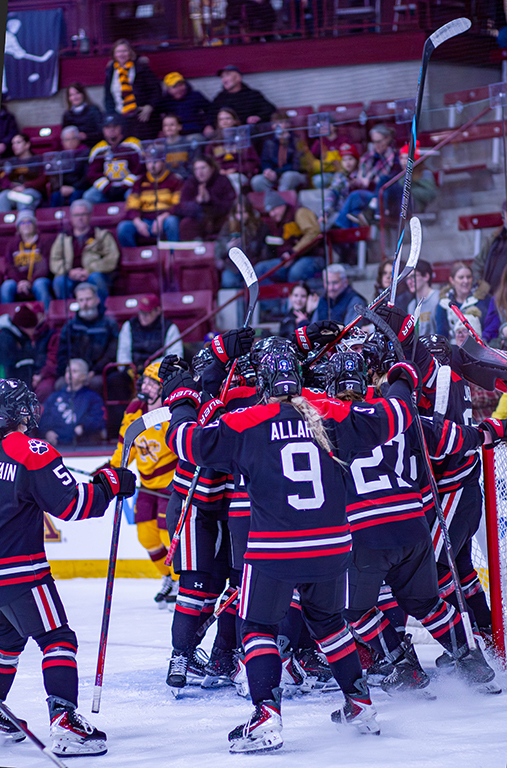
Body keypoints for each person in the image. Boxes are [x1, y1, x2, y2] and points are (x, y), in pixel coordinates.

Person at [161, 334, 427, 751]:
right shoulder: (332, 412)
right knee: (330, 622)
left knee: (256, 626)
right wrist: (401, 375)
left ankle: (266, 716)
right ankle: (360, 705)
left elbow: (184, 443)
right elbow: (397, 413)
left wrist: (180, 398)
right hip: (335, 546)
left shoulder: (246, 420)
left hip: (275, 548)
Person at [0, 377, 135, 755]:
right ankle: (64, 722)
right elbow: (72, 505)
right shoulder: (30, 450)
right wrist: (109, 483)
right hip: (21, 570)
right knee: (57, 639)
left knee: (7, 640)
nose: (30, 413)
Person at [110, 362, 179, 605]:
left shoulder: (173, 412)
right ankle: (168, 578)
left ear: (165, 388)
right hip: (148, 485)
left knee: (166, 534)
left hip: (171, 488)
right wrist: (113, 470)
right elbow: (124, 446)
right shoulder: (134, 410)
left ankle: (179, 580)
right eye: (145, 381)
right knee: (146, 537)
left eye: (152, 382)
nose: (145, 386)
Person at [50, 199, 120, 303]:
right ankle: (67, 313)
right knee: (59, 281)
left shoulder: (102, 235)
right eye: (76, 215)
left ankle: (103, 309)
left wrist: (89, 270)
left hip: (94, 274)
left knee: (96, 277)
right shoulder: (63, 238)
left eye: (83, 214)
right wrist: (69, 271)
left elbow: (111, 259)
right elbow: (54, 261)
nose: (80, 218)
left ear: (90, 216)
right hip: (70, 276)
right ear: (71, 217)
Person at [333, 124, 400, 228]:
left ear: (388, 139)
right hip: (370, 195)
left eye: (379, 142)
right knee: (355, 212)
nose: (376, 145)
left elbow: (390, 181)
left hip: (386, 198)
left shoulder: (395, 157)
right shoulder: (369, 157)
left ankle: (337, 228)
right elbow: (362, 177)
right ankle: (351, 241)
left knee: (355, 196)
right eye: (374, 142)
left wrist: (369, 180)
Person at [254, 190, 322, 283]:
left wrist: (293, 252)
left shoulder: (300, 213)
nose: (271, 214)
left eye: (274, 209)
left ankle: (295, 296)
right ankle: (275, 297)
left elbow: (314, 233)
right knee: (260, 269)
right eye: (270, 211)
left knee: (295, 272)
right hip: (289, 259)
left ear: (282, 205)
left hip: (312, 257)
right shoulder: (278, 222)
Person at [116, 151, 182, 246]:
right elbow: (131, 206)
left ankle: (173, 256)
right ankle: (135, 259)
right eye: (149, 162)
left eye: (155, 162)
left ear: (163, 162)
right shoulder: (139, 181)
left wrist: (161, 218)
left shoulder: (175, 179)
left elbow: (178, 205)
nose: (152, 165)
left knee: (172, 222)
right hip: (145, 221)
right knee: (123, 227)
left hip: (165, 220)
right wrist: (138, 222)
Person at [39, 358, 106, 446]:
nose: (69, 375)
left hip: (82, 446)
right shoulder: (54, 397)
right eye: (67, 371)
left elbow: (98, 420)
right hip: (55, 446)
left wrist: (83, 427)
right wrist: (48, 432)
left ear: (84, 376)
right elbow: (44, 418)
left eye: (74, 371)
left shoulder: (93, 398)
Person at [104, 39, 161, 141]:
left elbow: (156, 90)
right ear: (114, 54)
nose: (121, 54)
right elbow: (108, 97)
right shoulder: (111, 72)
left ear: (130, 52)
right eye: (118, 52)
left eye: (124, 51)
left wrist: (150, 106)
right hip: (121, 118)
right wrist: (113, 116)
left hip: (140, 117)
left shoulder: (141, 68)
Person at [172, 155, 236, 241]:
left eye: (203, 168)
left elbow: (231, 205)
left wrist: (210, 200)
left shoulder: (222, 180)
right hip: (198, 219)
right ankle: (191, 252)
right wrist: (197, 201)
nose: (200, 172)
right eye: (196, 169)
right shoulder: (190, 183)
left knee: (229, 221)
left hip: (219, 218)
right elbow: (181, 207)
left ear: (212, 168)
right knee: (186, 224)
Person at [83, 113, 142, 204]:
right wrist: (107, 187)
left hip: (129, 186)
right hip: (107, 189)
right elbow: (93, 174)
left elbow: (139, 169)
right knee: (89, 196)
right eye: (107, 127)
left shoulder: (133, 145)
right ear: (103, 130)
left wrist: (125, 185)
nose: (111, 130)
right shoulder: (99, 149)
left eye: (115, 126)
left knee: (132, 196)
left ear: (121, 128)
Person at [116, 293, 183, 373]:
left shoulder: (169, 327)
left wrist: (152, 368)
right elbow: (123, 352)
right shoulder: (129, 325)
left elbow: (175, 357)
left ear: (158, 311)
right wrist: (128, 369)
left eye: (147, 313)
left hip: (158, 371)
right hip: (134, 370)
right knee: (115, 378)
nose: (143, 316)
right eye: (141, 312)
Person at [1, 209, 53, 308]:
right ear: (18, 228)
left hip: (38, 279)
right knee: (7, 286)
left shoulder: (44, 242)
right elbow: (9, 266)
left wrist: (30, 282)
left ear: (34, 225)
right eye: (22, 223)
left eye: (29, 222)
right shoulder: (12, 244)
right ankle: (6, 319)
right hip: (18, 281)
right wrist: (19, 282)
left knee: (40, 285)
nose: (26, 225)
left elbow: (45, 266)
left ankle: (48, 316)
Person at [205, 65, 276, 135]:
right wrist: (209, 125)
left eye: (227, 75)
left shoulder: (252, 95)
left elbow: (269, 109)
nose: (224, 80)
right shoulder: (220, 98)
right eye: (222, 77)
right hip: (226, 134)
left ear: (238, 78)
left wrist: (258, 117)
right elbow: (211, 114)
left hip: (249, 133)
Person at [215, 198, 269, 288]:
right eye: (237, 212)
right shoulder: (227, 227)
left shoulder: (260, 227)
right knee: (228, 281)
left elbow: (265, 251)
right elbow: (218, 250)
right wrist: (227, 246)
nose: (240, 216)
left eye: (244, 212)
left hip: (253, 266)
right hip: (233, 268)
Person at [0, 304, 55, 388]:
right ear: (26, 326)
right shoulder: (6, 339)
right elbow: (8, 368)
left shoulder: (23, 339)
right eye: (33, 327)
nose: (34, 331)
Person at [206, 107, 259, 194]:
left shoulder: (243, 141)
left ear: (235, 121)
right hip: (219, 175)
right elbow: (208, 162)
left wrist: (236, 169)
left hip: (239, 174)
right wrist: (218, 171)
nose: (224, 121)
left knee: (232, 182)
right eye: (221, 119)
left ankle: (235, 206)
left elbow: (253, 162)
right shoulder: (213, 144)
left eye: (228, 118)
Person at [251, 110, 306, 192]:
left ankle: (283, 201)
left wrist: (277, 173)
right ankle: (272, 201)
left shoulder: (296, 140)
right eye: (274, 123)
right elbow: (265, 161)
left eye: (280, 122)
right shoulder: (269, 142)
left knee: (288, 177)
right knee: (256, 181)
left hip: (292, 174)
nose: (277, 125)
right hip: (275, 175)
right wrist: (268, 170)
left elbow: (297, 165)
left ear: (288, 124)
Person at [436, 262, 482, 344]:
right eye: (461, 277)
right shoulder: (444, 303)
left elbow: (487, 330)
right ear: (452, 280)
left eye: (468, 277)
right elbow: (442, 334)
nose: (466, 281)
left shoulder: (481, 300)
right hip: (452, 350)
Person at [0, 133, 46, 212]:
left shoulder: (38, 160)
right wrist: (12, 186)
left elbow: (43, 178)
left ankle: (24, 222)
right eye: (13, 143)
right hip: (14, 192)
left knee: (24, 197)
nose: (14, 146)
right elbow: (4, 178)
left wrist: (25, 186)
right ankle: (4, 223)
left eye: (18, 142)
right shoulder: (10, 162)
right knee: (3, 196)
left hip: (31, 192)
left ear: (27, 145)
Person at [157, 72, 210, 137]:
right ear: (168, 89)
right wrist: (160, 130)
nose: (179, 89)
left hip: (195, 132)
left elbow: (211, 110)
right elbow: (157, 117)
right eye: (175, 87)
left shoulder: (195, 96)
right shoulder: (165, 101)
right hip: (173, 135)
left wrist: (208, 125)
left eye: (181, 85)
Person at [472, 200, 507, 297]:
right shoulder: (493, 239)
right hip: (492, 296)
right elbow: (477, 265)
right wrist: (481, 284)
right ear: (504, 215)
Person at [321, 142, 360, 229]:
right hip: (342, 211)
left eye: (350, 159)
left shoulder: (361, 174)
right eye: (344, 160)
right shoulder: (340, 176)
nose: (347, 163)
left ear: (357, 160)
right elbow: (332, 193)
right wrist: (325, 212)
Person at [49, 125, 90, 207]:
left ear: (78, 139)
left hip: (80, 187)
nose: (70, 142)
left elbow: (87, 175)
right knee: (55, 196)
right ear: (62, 142)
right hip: (63, 188)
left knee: (76, 196)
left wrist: (74, 188)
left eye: (73, 138)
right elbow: (54, 176)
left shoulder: (86, 153)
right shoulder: (59, 156)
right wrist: (60, 187)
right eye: (67, 140)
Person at [62, 82, 103, 149]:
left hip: (94, 145)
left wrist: (87, 136)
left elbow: (101, 131)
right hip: (75, 148)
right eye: (71, 95)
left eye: (77, 93)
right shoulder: (67, 115)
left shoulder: (93, 110)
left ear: (83, 94)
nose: (75, 97)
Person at [406, 259, 439, 337]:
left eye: (413, 276)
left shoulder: (438, 299)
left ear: (426, 276)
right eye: (407, 278)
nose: (409, 282)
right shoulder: (411, 306)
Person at [162, 114, 200, 179]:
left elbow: (194, 163)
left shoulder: (188, 143)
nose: (168, 128)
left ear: (179, 127)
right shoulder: (161, 147)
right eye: (166, 125)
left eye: (172, 125)